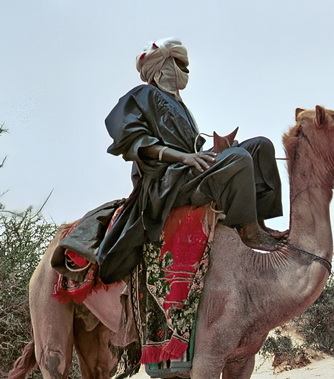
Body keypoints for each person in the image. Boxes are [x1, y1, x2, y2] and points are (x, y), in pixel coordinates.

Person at [96, 38, 284, 283]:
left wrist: (216, 151)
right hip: (167, 182)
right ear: (162, 68)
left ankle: (258, 221)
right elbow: (134, 141)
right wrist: (185, 156)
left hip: (189, 172)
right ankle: (248, 231)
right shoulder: (143, 95)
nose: (185, 72)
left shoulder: (179, 105)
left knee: (260, 146)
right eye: (180, 65)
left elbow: (193, 150)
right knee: (238, 158)